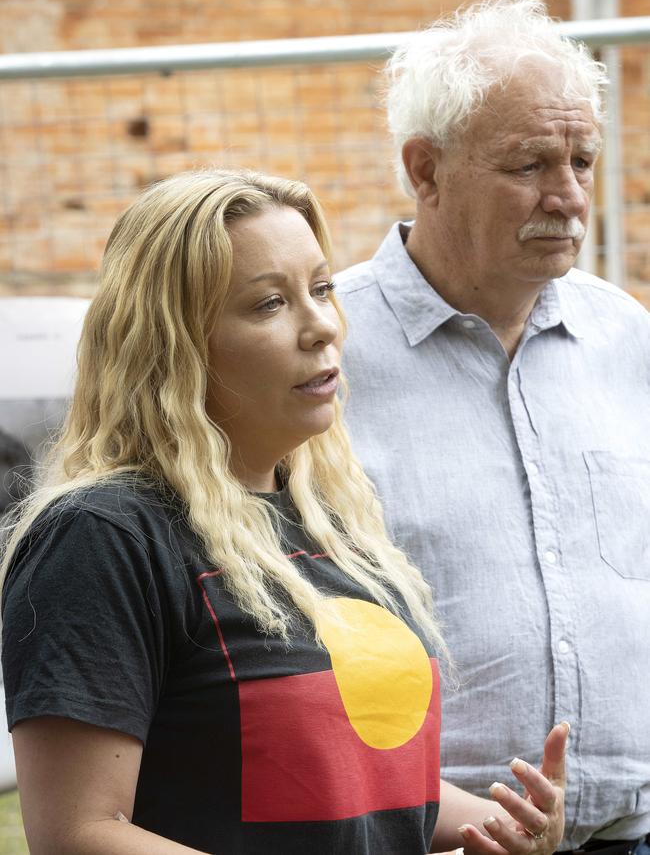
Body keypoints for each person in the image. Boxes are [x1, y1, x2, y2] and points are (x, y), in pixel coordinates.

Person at [1, 168, 566, 855]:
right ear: (175, 343)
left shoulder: (331, 520)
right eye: (270, 303)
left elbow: (351, 778)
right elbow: (77, 834)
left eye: (322, 288)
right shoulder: (103, 535)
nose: (322, 325)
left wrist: (503, 824)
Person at [336, 0, 650, 855]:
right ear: (425, 170)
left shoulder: (627, 336)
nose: (569, 196)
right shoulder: (324, 355)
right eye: (529, 166)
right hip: (430, 841)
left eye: (582, 161)